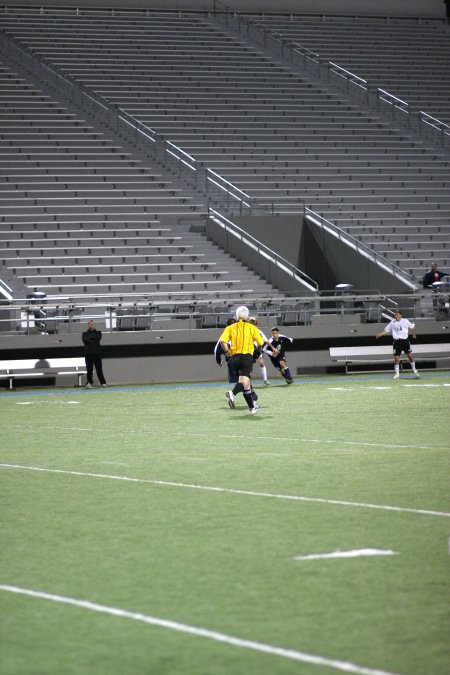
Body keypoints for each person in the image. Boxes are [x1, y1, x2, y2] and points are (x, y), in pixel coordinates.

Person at [219, 305, 265, 414]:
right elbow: (260, 343)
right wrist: (256, 348)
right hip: (246, 358)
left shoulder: (230, 327)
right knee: (245, 382)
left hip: (233, 359)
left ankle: (252, 407)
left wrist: (227, 352)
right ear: (247, 316)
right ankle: (233, 393)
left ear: (237, 315)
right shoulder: (252, 328)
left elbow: (222, 342)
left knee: (246, 384)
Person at [376, 310, 419, 379]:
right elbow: (387, 330)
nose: (395, 316)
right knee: (397, 359)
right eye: (395, 315)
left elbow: (413, 326)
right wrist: (380, 335)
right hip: (396, 342)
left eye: (397, 315)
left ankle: (414, 370)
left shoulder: (405, 321)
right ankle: (397, 374)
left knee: (410, 356)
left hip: (405, 341)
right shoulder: (392, 322)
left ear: (401, 315)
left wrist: (414, 334)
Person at [82, 320, 107, 388]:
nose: (92, 325)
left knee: (99, 369)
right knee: (89, 370)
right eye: (90, 324)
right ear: (88, 325)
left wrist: (90, 338)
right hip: (88, 354)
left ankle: (103, 383)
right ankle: (89, 383)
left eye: (93, 324)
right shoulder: (84, 334)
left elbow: (97, 339)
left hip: (97, 354)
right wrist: (93, 339)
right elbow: (85, 340)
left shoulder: (99, 333)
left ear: (94, 325)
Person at [248, 316, 272, 384]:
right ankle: (248, 380)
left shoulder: (258, 331)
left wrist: (273, 348)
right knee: (249, 365)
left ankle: (265, 380)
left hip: (257, 349)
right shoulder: (247, 331)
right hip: (249, 349)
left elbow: (266, 340)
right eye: (252, 322)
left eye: (255, 323)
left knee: (262, 363)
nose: (254, 324)